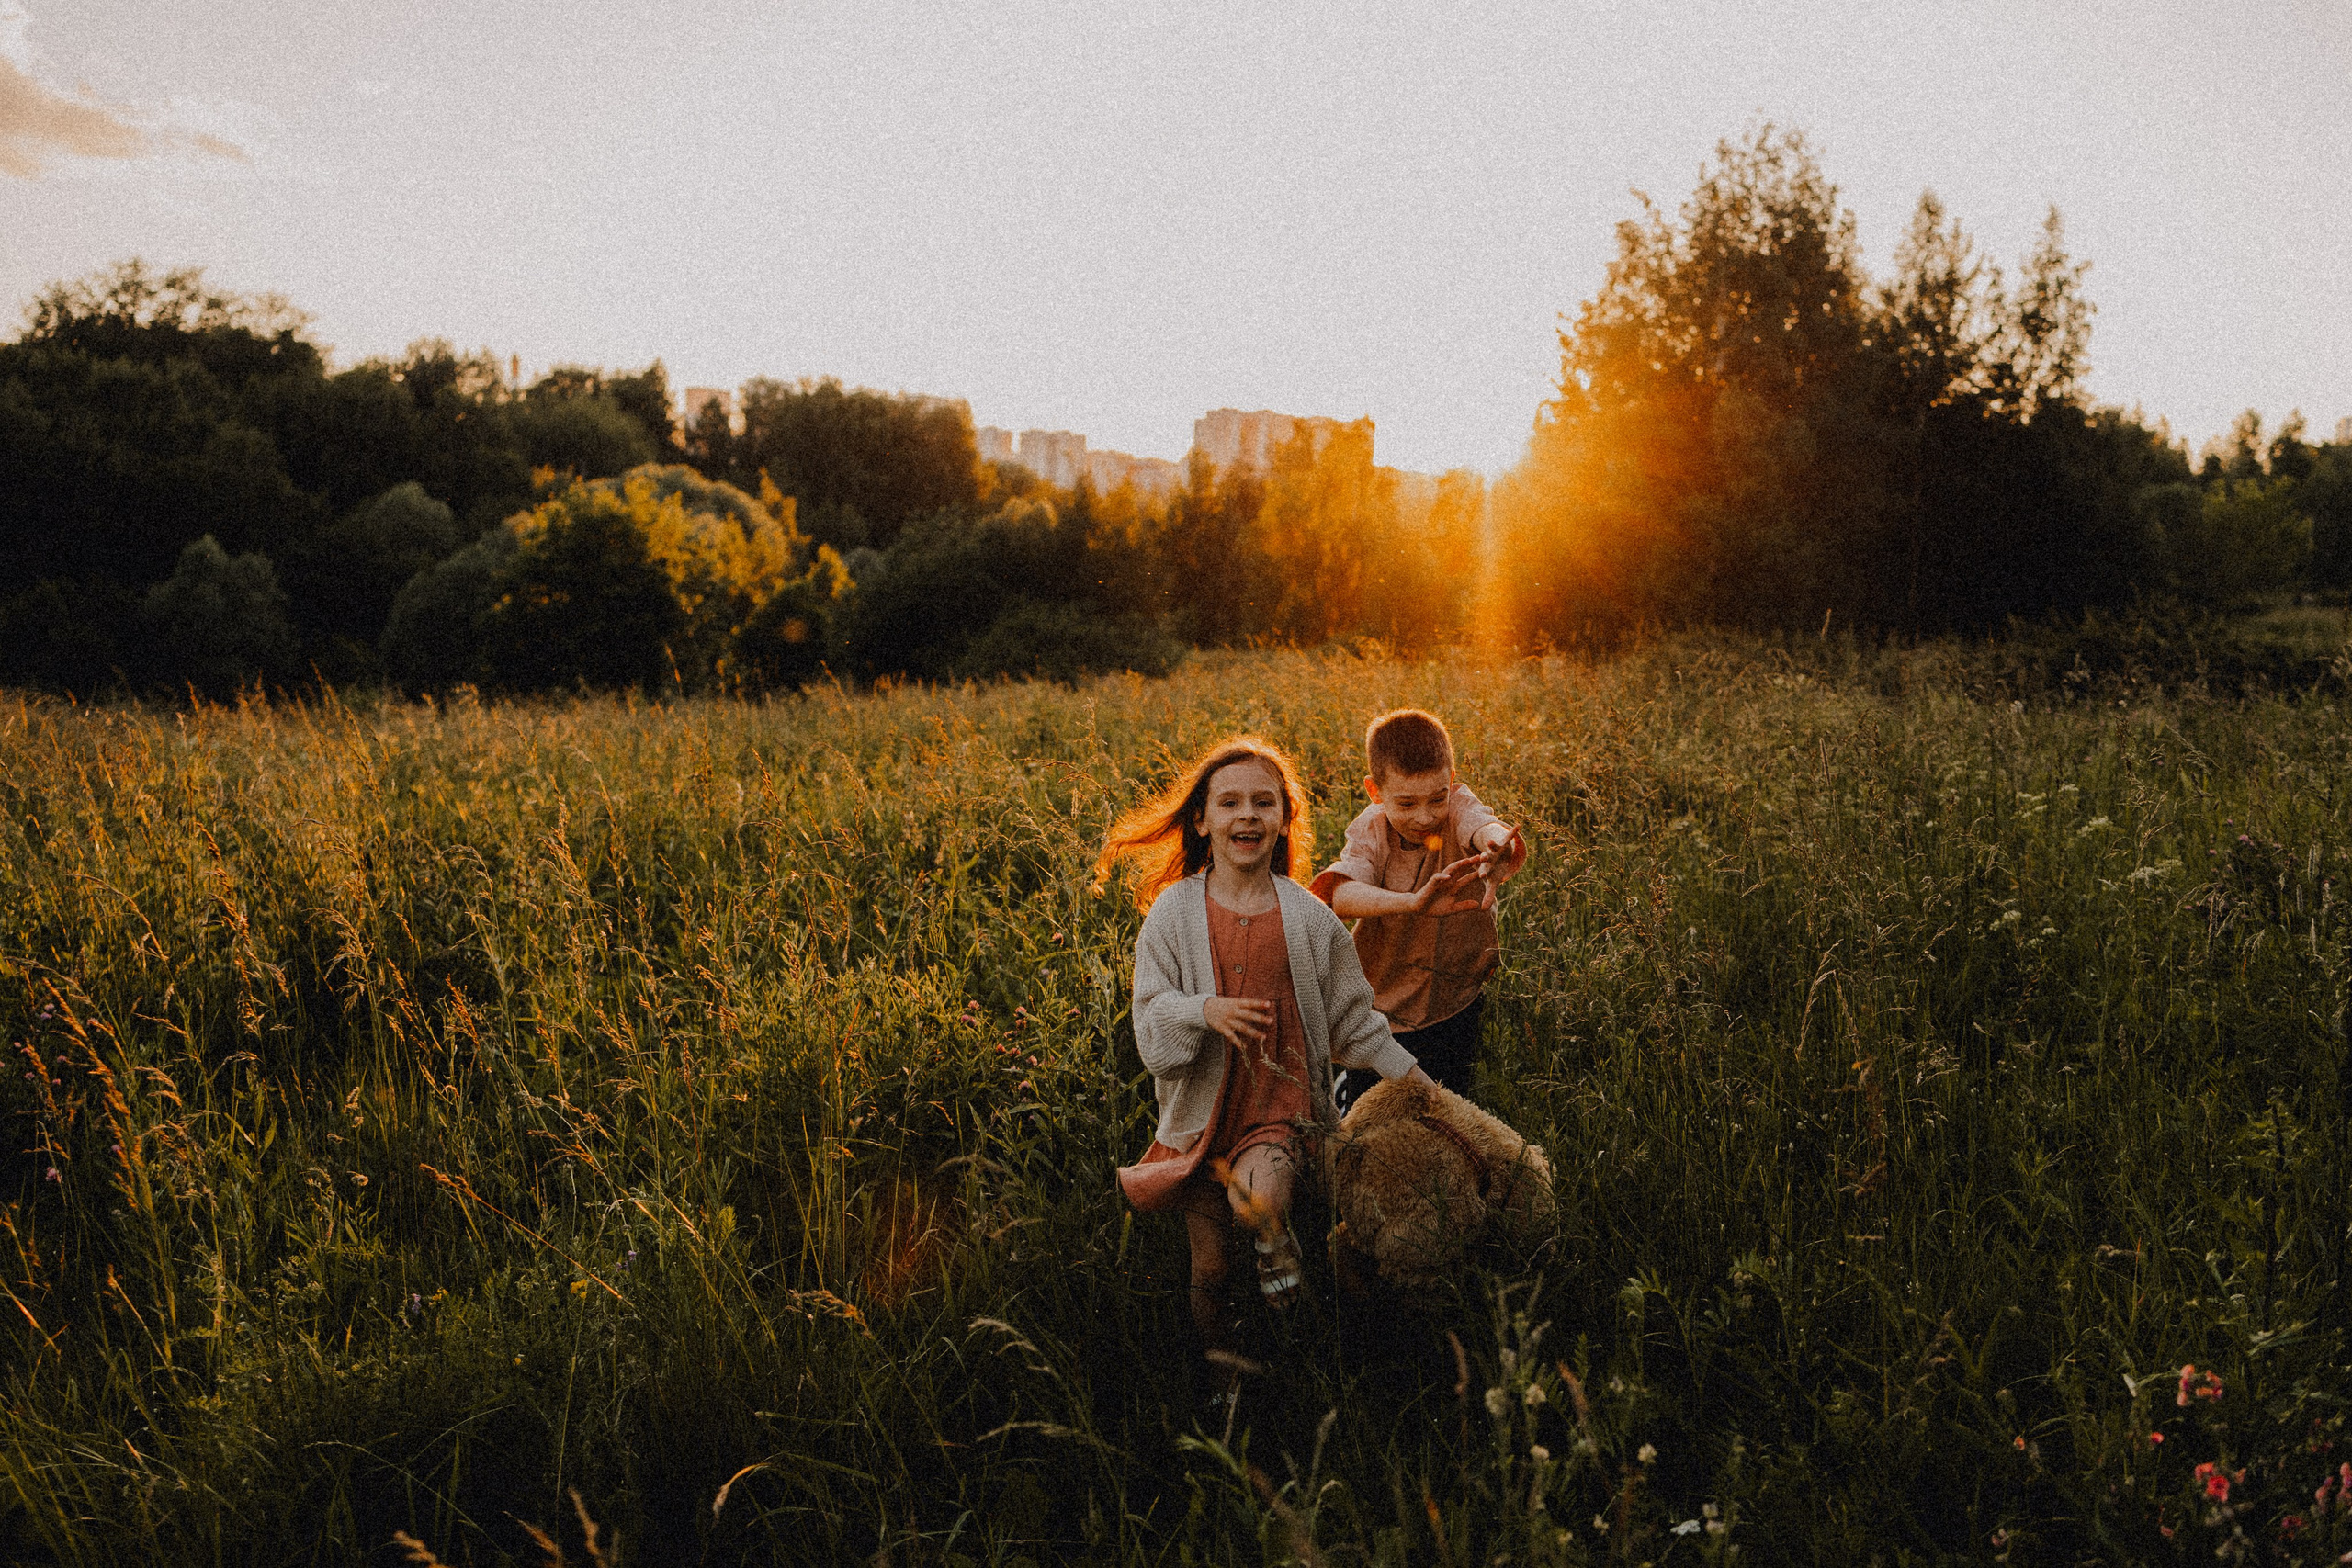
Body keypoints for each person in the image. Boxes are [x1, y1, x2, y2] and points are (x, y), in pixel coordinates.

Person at [1096, 735, 1431, 1355]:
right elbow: (1150, 1023)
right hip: (1198, 1123)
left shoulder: (1309, 919)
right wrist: (1202, 1009)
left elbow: (1355, 1021)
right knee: (1212, 1269)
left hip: (1277, 1114)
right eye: (1228, 803)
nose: (1246, 815)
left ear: (1284, 818)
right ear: (1202, 820)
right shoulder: (1172, 914)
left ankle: (1289, 1302)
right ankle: (1227, 1377)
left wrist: (1416, 1080)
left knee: (1258, 1201)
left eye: (1263, 802)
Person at [1310, 708, 1526, 1114]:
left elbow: (1485, 827)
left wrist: (1498, 848)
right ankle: (1345, 1092)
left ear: (1451, 781)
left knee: (1446, 1106)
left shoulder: (1460, 806)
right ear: (1375, 792)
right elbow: (1340, 895)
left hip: (1456, 993)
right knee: (1371, 1111)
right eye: (1406, 803)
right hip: (1384, 1003)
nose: (1425, 816)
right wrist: (1412, 904)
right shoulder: (1371, 830)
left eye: (1436, 798)